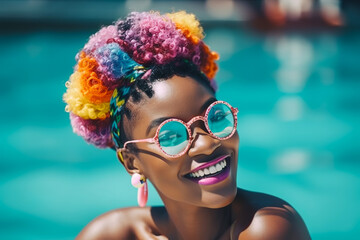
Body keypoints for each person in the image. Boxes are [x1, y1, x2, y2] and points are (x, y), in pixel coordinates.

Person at [63, 11, 311, 240]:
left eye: (215, 117)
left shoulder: (267, 228)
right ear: (131, 162)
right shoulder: (111, 234)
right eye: (171, 135)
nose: (207, 142)